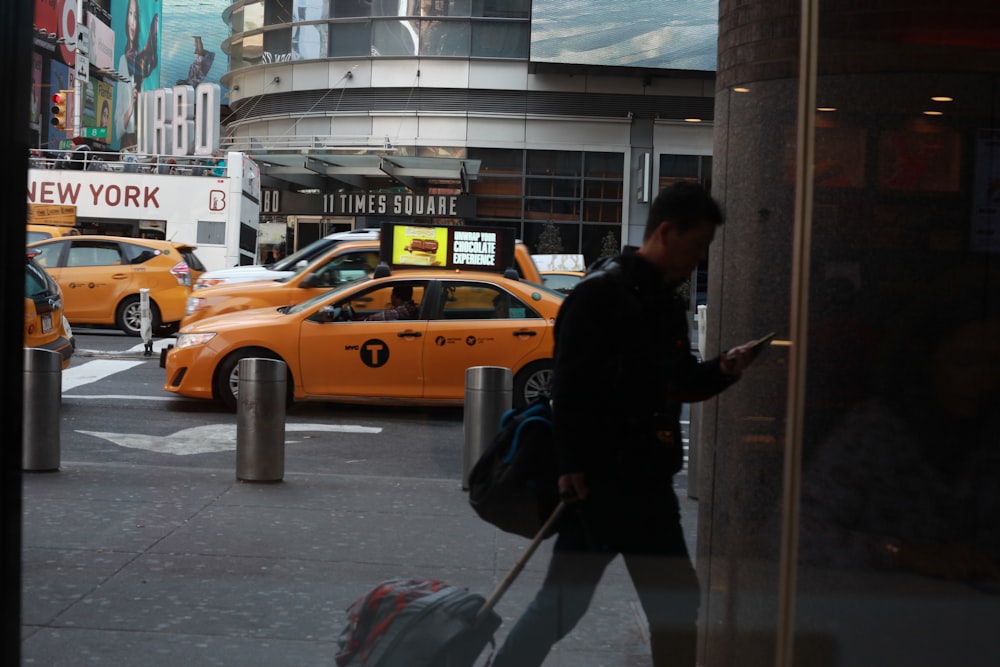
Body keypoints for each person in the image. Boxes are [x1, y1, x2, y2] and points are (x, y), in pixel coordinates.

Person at [491, 182, 763, 667]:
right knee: (565, 605)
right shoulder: (600, 296)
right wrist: (571, 467)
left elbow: (679, 382)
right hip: (599, 485)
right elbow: (569, 386)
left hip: (647, 484)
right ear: (665, 231)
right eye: (697, 244)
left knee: (675, 604)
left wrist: (723, 369)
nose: (699, 257)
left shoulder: (665, 304)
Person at [114, 0, 158, 150]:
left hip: (143, 141)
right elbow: (118, 126)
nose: (132, 22)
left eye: (136, 16)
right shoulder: (124, 61)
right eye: (130, 15)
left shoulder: (143, 62)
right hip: (129, 143)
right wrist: (131, 106)